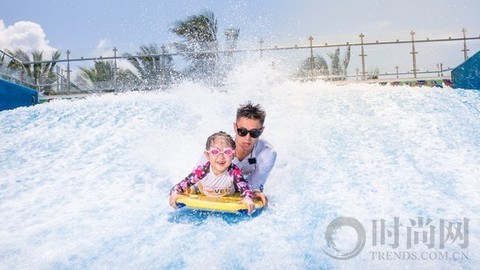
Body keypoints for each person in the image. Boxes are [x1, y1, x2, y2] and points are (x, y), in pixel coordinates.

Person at [197, 102, 276, 206]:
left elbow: (254, 185)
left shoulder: (267, 152)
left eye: (254, 133)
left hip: (243, 183)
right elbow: (198, 175)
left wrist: (253, 192)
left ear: (261, 131)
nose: (247, 138)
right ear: (235, 127)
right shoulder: (218, 147)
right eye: (242, 132)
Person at [169, 131, 256, 214]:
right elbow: (179, 186)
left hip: (227, 194)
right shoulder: (201, 171)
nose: (221, 157)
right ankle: (193, 189)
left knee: (244, 187)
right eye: (215, 152)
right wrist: (175, 193)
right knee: (190, 188)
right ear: (207, 155)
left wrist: (248, 198)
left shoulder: (234, 171)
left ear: (233, 155)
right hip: (203, 192)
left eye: (227, 152)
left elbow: (244, 187)